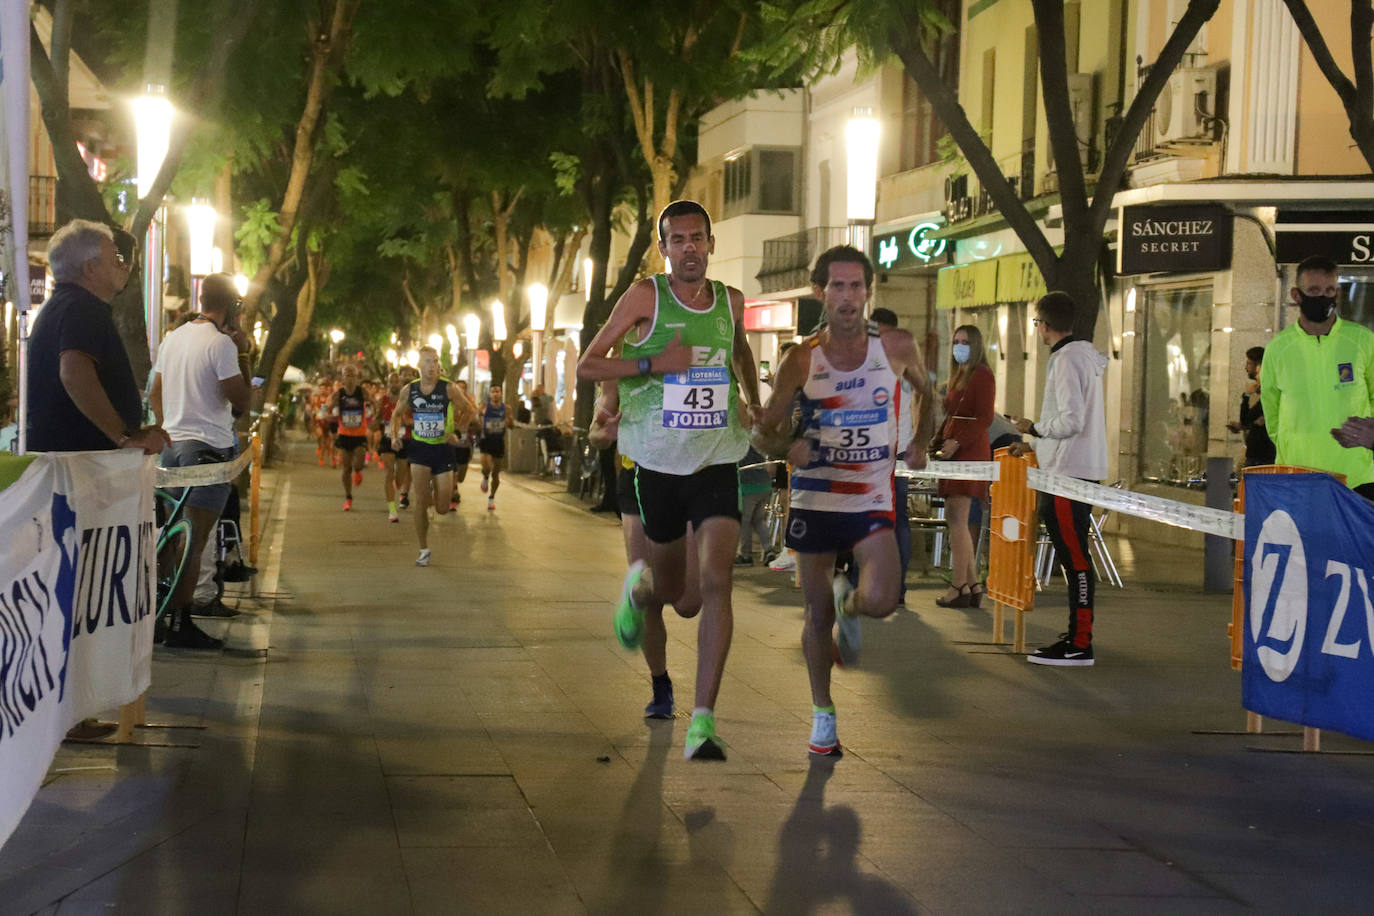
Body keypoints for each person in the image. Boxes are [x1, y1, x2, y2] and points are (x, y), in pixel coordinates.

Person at [577, 199, 762, 761]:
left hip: (715, 459)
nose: (689, 248)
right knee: (671, 596)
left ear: (711, 243)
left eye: (697, 238)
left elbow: (740, 351)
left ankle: (702, 720)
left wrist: (751, 400)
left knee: (713, 586)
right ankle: (645, 614)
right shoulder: (644, 298)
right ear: (663, 249)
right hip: (652, 464)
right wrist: (654, 365)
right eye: (677, 240)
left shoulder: (730, 301)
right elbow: (589, 365)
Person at [752, 245, 933, 757]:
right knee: (815, 617)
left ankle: (849, 603)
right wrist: (787, 446)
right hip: (816, 501)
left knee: (882, 600)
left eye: (856, 286)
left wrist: (920, 441)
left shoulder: (896, 346)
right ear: (820, 293)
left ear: (869, 292)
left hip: (870, 500)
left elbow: (929, 393)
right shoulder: (800, 358)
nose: (848, 297)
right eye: (838, 286)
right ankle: (823, 715)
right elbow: (763, 433)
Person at [149, 271, 255, 648]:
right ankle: (181, 621)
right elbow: (241, 399)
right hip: (207, 448)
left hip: (172, 446)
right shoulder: (221, 344)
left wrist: (168, 425)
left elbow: (155, 391)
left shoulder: (174, 337)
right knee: (193, 542)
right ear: (232, 305)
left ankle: (156, 615)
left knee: (170, 535)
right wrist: (244, 352)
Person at [1008, 291, 1108, 667]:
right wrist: (1034, 444)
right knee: (1073, 556)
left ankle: (1080, 643)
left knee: (1074, 558)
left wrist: (1034, 427)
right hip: (1074, 468)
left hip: (1067, 474)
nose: (1037, 329)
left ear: (1044, 324)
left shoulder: (1066, 360)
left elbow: (1070, 420)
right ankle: (1077, 635)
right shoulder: (1083, 356)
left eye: (1036, 322)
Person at [591, 381, 702, 718]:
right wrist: (604, 434)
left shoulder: (705, 359)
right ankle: (660, 686)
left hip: (690, 479)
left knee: (688, 602)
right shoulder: (624, 368)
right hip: (638, 477)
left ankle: (636, 591)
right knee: (654, 601)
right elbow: (595, 433)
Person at [1262, 255, 1374, 499]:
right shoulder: (1278, 348)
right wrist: (1290, 445)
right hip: (1298, 477)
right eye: (1314, 290)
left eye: (1329, 290)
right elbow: (1271, 409)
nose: (1323, 297)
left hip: (1357, 477)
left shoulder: (1363, 340)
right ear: (1296, 295)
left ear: (1338, 294)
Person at [389, 347, 477, 566]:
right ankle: (423, 549)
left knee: (442, 508)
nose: (432, 366)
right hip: (420, 448)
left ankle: (433, 497)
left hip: (442, 449)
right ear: (419, 365)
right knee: (421, 500)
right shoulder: (410, 390)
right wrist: (394, 436)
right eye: (428, 361)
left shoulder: (448, 388)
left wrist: (458, 433)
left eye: (435, 361)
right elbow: (396, 414)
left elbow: (469, 410)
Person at [931, 324, 995, 608]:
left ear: (977, 345)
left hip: (969, 449)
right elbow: (952, 413)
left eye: (966, 342)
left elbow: (985, 417)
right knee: (958, 519)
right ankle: (971, 583)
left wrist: (957, 442)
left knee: (957, 517)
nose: (959, 346)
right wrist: (939, 439)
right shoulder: (959, 374)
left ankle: (959, 585)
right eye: (956, 341)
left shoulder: (982, 375)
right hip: (953, 447)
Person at [868, 309, 921, 608]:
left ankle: (887, 585)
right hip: (890, 447)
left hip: (886, 450)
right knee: (895, 519)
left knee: (888, 518)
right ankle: (891, 586)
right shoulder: (904, 359)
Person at [332, 363, 374, 511]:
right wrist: (330, 411)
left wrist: (373, 413)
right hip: (344, 434)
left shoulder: (362, 392)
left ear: (357, 377)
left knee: (358, 464)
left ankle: (358, 472)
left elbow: (374, 403)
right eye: (347, 375)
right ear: (342, 377)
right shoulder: (339, 393)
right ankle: (348, 497)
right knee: (346, 467)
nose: (350, 378)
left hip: (359, 434)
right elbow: (328, 407)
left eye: (352, 375)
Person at [1225, 346, 1276, 467]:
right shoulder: (1257, 392)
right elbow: (1251, 419)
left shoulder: (1268, 394)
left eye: (1249, 364)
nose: (1245, 368)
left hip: (1263, 455)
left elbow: (1247, 418)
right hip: (1255, 453)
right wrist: (1245, 425)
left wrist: (1246, 395)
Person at [735, 445, 774, 566]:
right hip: (764, 485)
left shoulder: (741, 442)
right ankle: (769, 549)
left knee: (744, 522)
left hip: (748, 486)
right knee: (758, 521)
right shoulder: (757, 440)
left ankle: (745, 555)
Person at [478, 385, 513, 511]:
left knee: (496, 473)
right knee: (486, 467)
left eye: (498, 392)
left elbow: (511, 425)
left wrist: (509, 421)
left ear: (501, 394)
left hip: (499, 442)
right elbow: (477, 420)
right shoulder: (484, 406)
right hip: (486, 441)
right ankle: (485, 477)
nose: (495, 394)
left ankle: (491, 497)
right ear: (490, 394)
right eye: (493, 392)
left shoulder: (506, 408)